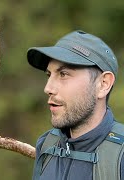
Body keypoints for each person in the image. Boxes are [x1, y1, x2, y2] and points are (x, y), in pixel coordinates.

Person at [27, 30, 124, 180]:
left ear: (103, 84)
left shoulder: (120, 156)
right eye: (49, 75)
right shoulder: (47, 144)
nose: (48, 88)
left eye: (63, 74)